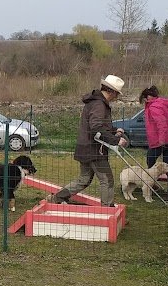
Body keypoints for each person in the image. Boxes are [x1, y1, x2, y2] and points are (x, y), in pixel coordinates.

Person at [48, 75, 128, 207]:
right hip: (94, 150)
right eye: (117, 94)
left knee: (84, 179)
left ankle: (57, 198)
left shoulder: (95, 102)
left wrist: (114, 130)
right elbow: (95, 127)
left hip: (85, 147)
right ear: (111, 91)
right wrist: (115, 140)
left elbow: (99, 126)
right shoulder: (99, 104)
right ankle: (107, 210)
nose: (116, 97)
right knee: (107, 180)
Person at [139, 85, 168, 202]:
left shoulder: (154, 106)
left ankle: (151, 184)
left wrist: (161, 139)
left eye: (144, 99)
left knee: (150, 163)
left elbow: (161, 123)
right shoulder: (167, 103)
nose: (144, 101)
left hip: (158, 142)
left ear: (148, 97)